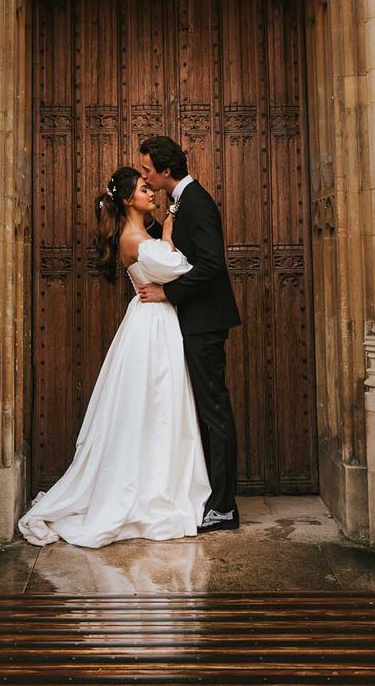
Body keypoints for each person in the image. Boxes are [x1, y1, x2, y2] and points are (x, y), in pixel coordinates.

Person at [18, 167, 211, 548]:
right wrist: (171, 229)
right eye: (143, 189)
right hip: (152, 326)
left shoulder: (142, 235)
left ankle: (160, 480)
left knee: (160, 406)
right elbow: (179, 267)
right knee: (154, 403)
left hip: (155, 320)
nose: (151, 193)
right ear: (128, 200)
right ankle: (148, 489)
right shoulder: (135, 239)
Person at [137, 136, 242, 533]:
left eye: (148, 169)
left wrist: (168, 291)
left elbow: (212, 264)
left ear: (167, 171)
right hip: (194, 321)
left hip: (205, 323)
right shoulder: (181, 200)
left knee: (214, 409)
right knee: (204, 409)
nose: (145, 175)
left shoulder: (197, 202)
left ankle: (224, 507)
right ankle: (210, 498)